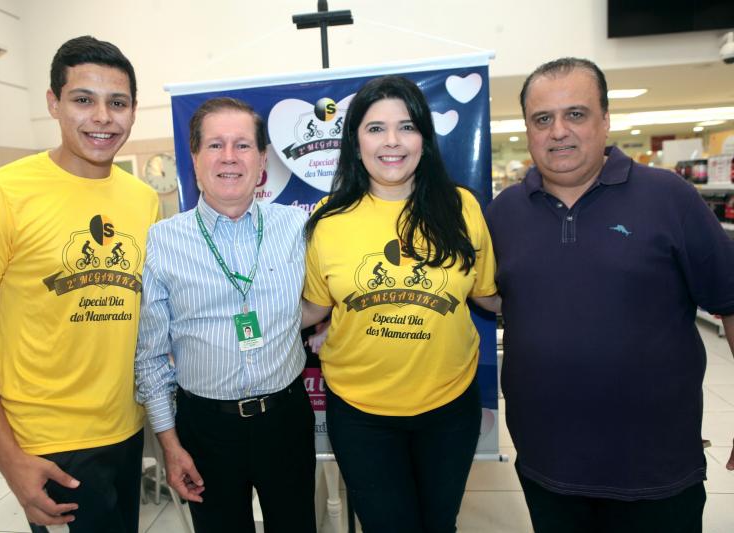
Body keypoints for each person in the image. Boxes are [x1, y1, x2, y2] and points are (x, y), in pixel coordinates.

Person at [485, 57, 734, 533]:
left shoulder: (670, 198)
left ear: (605, 120)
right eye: (543, 118)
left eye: (576, 114)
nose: (559, 131)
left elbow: (730, 300)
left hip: (656, 470)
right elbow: (494, 297)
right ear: (528, 129)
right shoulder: (502, 213)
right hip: (546, 465)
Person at [0, 36, 158, 531]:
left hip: (126, 426)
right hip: (48, 441)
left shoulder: (143, 200)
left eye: (117, 103)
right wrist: (7, 458)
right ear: (53, 103)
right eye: (83, 99)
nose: (102, 117)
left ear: (133, 111)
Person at [302, 75, 500, 533]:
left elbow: (488, 294)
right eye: (375, 128)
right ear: (355, 143)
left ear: (424, 140)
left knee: (439, 524)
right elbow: (313, 308)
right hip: (360, 413)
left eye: (406, 126)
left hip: (449, 406)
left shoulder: (462, 207)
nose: (392, 141)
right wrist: (240, 319)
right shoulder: (328, 219)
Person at [135, 97, 316, 533]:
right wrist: (170, 444)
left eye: (242, 145)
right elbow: (150, 356)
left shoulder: (298, 229)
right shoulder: (162, 241)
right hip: (205, 430)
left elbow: (328, 299)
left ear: (262, 161)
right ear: (195, 159)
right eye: (215, 145)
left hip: (286, 420)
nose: (229, 157)